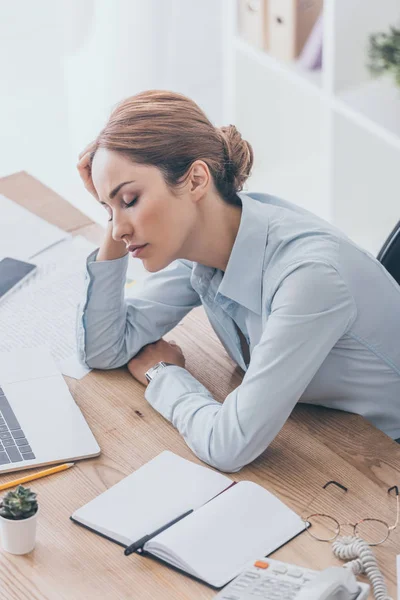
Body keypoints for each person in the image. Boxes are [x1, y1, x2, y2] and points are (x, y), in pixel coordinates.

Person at [76, 90, 400, 473]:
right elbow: (104, 349)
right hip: (317, 430)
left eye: (130, 199)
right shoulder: (205, 242)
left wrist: (164, 375)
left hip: (379, 464)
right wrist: (114, 218)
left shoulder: (310, 278)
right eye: (107, 210)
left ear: (196, 179)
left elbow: (228, 446)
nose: (119, 229)